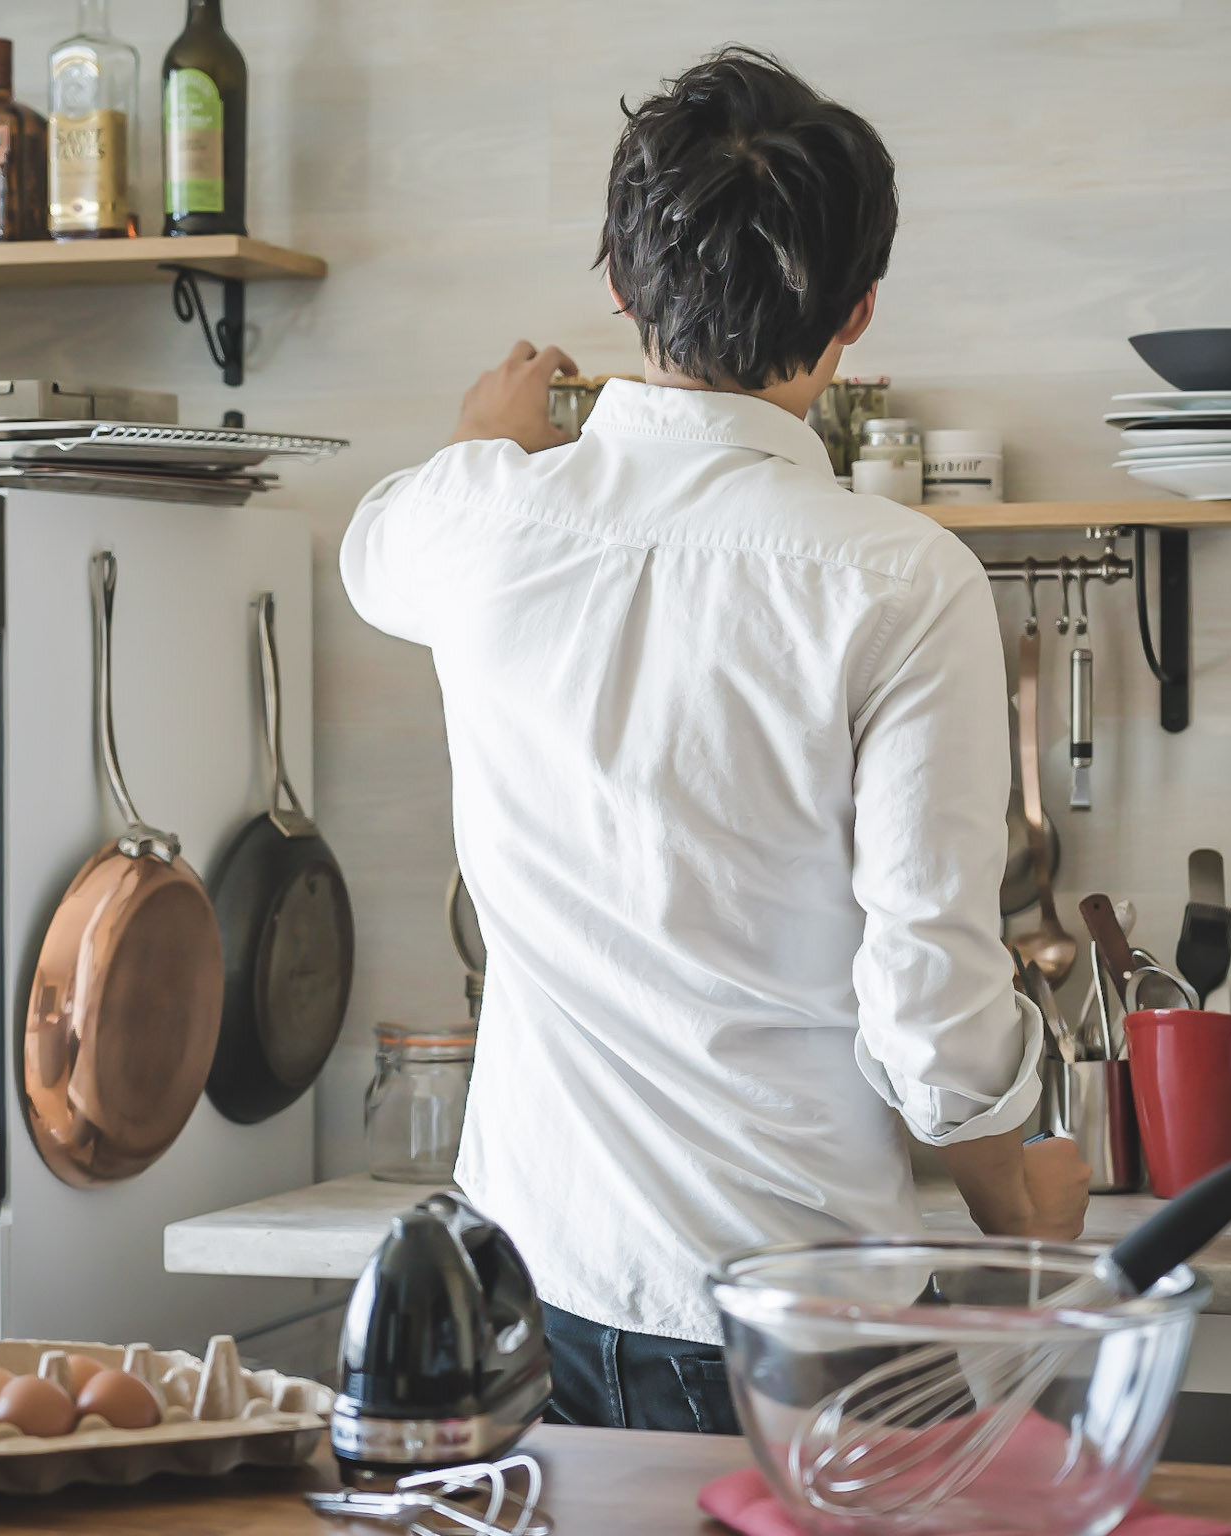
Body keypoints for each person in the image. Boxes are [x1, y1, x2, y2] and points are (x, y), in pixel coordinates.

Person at [341, 46, 1089, 1435]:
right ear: (859, 311)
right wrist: (1025, 1197)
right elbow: (927, 1002)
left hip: (528, 1293)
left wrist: (476, 443)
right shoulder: (901, 576)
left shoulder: (482, 524)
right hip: (802, 1317)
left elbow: (376, 551)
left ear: (618, 286)